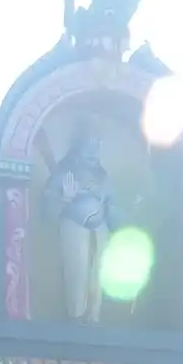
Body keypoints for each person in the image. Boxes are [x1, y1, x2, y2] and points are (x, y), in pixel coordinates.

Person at [42, 125, 118, 322]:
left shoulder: (104, 177)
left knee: (98, 277)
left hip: (101, 230)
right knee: (77, 274)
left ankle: (94, 317)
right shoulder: (63, 172)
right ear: (78, 146)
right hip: (74, 228)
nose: (94, 150)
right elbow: (47, 212)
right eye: (89, 144)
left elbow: (113, 206)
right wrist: (65, 199)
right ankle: (75, 318)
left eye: (98, 144)